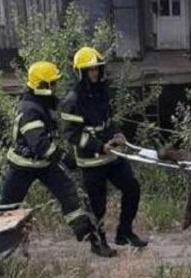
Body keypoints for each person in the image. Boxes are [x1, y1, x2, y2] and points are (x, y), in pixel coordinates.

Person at [0, 61, 116, 257]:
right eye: (52, 83)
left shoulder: (40, 103)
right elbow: (40, 145)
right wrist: (65, 158)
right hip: (23, 166)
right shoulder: (30, 110)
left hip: (45, 164)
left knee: (71, 197)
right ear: (43, 85)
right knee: (7, 207)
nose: (55, 87)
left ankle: (93, 240)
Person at [61, 47, 147, 249]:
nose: (95, 73)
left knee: (132, 188)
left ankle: (124, 233)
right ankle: (98, 243)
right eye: (90, 70)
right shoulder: (72, 100)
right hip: (91, 161)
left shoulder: (102, 91)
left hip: (112, 157)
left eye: (97, 68)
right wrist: (99, 146)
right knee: (97, 206)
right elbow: (72, 134)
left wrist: (116, 134)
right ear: (81, 72)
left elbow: (107, 120)